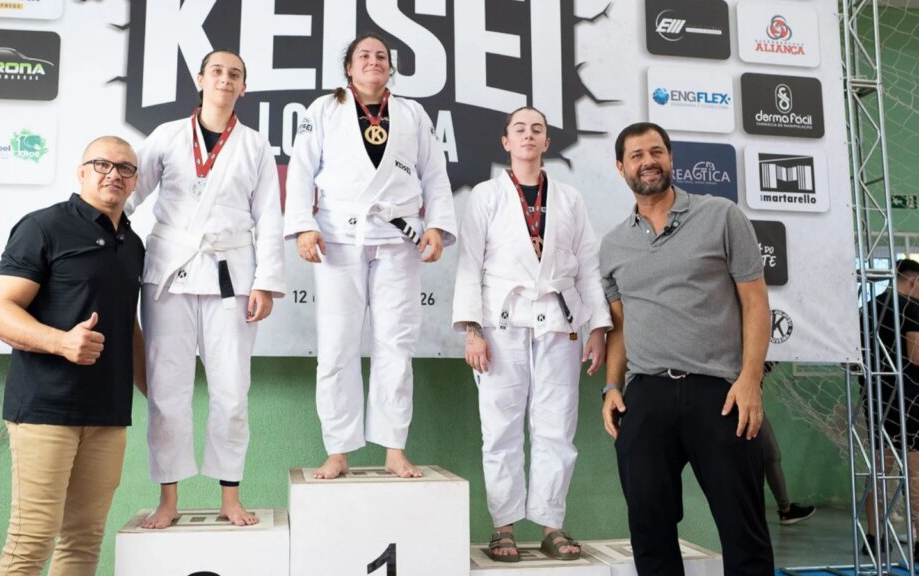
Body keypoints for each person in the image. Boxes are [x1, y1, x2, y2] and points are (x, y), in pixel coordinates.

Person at [600, 122, 774, 575]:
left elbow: (756, 303)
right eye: (636, 155)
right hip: (646, 396)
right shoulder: (613, 244)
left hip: (721, 393)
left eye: (656, 151)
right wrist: (612, 386)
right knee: (649, 531)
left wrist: (750, 380)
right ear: (621, 168)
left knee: (743, 531)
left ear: (671, 158)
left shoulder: (721, 215)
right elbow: (620, 325)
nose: (648, 162)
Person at [284, 33, 457, 479]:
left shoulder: (412, 113)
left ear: (390, 68)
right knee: (336, 345)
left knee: (396, 344)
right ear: (349, 67)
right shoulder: (324, 109)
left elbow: (435, 175)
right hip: (338, 237)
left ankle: (394, 447)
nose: (373, 61)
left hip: (398, 237)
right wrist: (303, 225)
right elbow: (301, 170)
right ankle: (338, 449)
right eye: (364, 55)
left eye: (381, 56)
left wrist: (436, 225)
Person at [127, 49, 285, 528]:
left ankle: (230, 496)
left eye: (234, 74)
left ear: (243, 87)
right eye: (216, 71)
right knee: (166, 392)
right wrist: (95, 231)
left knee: (232, 392)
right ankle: (168, 499)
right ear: (200, 79)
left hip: (229, 275)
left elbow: (269, 218)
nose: (224, 79)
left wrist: (266, 283)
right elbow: (129, 194)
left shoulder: (255, 146)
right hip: (169, 275)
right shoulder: (166, 136)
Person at [451, 107, 610, 561]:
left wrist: (598, 327)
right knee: (500, 428)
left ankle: (551, 525)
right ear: (506, 142)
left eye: (536, 129)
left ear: (546, 142)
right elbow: (469, 265)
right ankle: (502, 526)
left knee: (557, 427)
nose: (528, 135)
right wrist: (472, 330)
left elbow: (588, 267)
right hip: (500, 324)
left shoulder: (570, 199)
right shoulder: (485, 196)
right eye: (519, 129)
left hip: (560, 322)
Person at [0, 136, 145, 575]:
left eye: (125, 168)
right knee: (32, 540)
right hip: (45, 409)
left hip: (108, 415)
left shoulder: (133, 243)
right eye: (102, 164)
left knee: (84, 540)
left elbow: (127, 324)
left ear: (135, 182)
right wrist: (60, 342)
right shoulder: (44, 227)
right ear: (81, 172)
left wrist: (158, 390)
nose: (113, 174)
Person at [864, 258, 919, 554]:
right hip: (910, 399)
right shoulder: (911, 308)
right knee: (915, 470)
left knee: (880, 469)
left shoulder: (867, 308)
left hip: (876, 397)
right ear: (913, 281)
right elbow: (916, 355)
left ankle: (874, 537)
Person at [758, 362, 816, 525]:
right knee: (770, 456)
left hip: (749, 405)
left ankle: (785, 509)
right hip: (741, 405)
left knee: (771, 456)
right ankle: (784, 509)